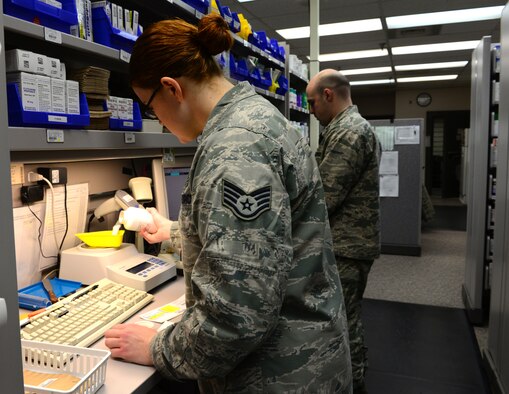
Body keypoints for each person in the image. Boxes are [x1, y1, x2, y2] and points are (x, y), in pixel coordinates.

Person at [104, 14, 353, 393]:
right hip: (307, 357)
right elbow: (266, 239)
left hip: (280, 374)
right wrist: (175, 231)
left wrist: (157, 348)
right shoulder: (255, 119)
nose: (155, 117)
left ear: (172, 88)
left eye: (150, 107)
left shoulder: (235, 151)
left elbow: (236, 316)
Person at [306, 69, 381, 394]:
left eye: (311, 103)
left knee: (345, 320)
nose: (310, 111)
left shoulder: (349, 132)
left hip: (347, 247)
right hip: (347, 244)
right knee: (344, 316)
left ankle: (354, 383)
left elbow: (325, 194)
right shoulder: (342, 128)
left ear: (328, 95)